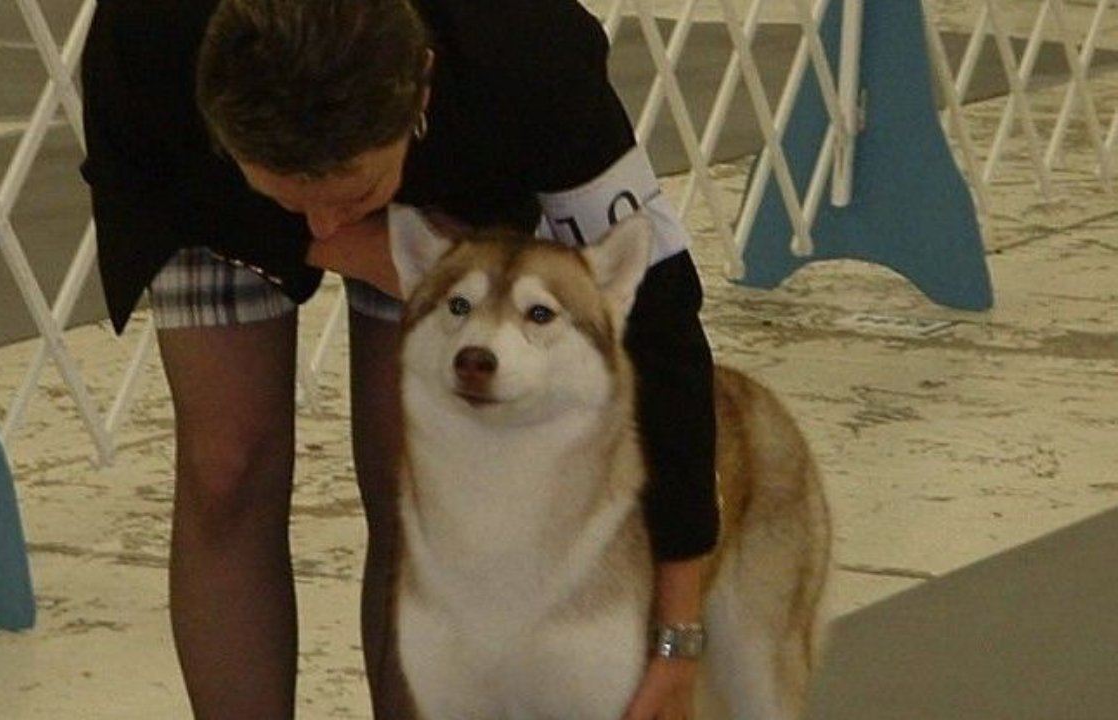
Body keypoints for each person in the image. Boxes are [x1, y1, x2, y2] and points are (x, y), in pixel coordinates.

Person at [80, 0, 719, 718]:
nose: (326, 222)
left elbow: (659, 319)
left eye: (352, 194)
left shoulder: (531, 52)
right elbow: (143, 179)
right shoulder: (149, 29)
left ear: (421, 86)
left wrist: (677, 629)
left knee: (416, 479)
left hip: (457, 170)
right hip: (206, 185)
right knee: (226, 468)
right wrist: (335, 243)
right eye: (293, 199)